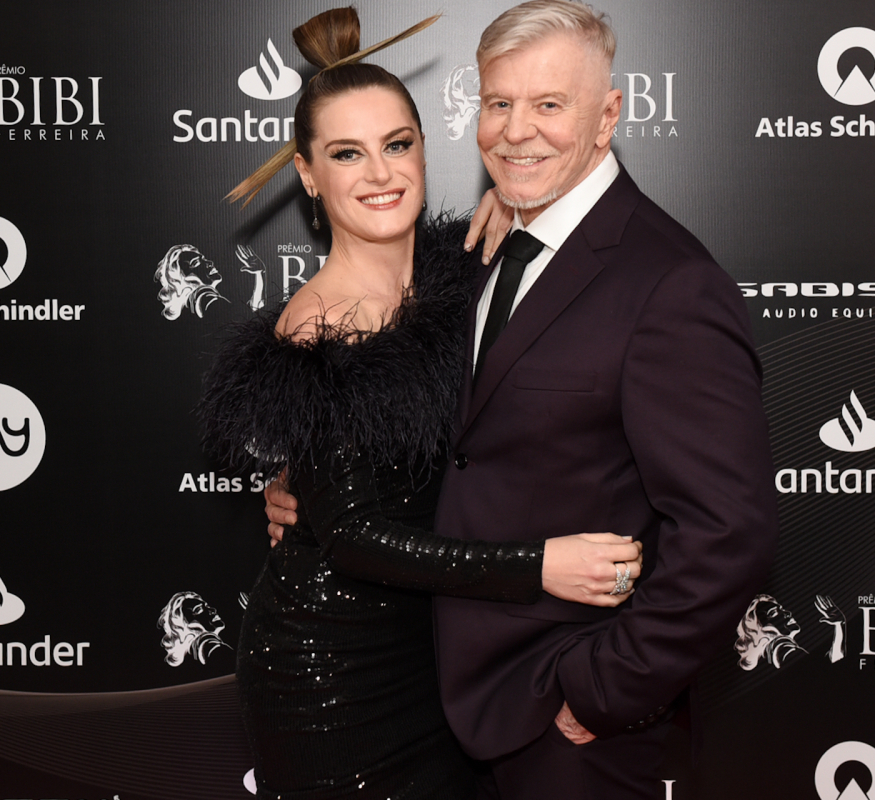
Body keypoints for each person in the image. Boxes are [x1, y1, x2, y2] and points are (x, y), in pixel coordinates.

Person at [266, 2, 779, 797]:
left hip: (563, 717)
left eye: (549, 105)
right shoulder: (475, 255)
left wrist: (606, 689)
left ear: (607, 116)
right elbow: (444, 441)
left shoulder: (670, 283)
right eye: (499, 103)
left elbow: (729, 532)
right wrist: (312, 483)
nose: (516, 131)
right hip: (430, 691)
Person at [197, 8, 642, 800]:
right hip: (333, 673)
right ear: (308, 174)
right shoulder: (319, 324)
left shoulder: (468, 268)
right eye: (347, 153)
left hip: (444, 654)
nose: (380, 173)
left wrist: (512, 207)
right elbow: (355, 538)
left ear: (426, 149)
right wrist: (542, 565)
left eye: (397, 145)